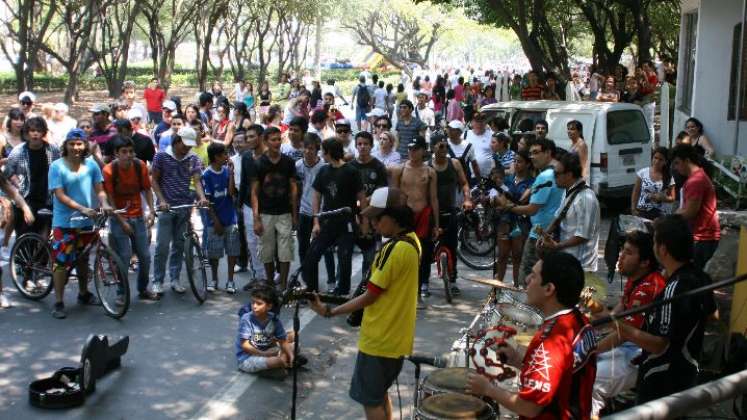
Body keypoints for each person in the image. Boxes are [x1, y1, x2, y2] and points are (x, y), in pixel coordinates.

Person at [309, 187, 420, 420]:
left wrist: (331, 311)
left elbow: (370, 295)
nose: (373, 224)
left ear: (393, 216)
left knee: (370, 402)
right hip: (397, 338)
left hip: (380, 339)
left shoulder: (393, 250)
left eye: (377, 218)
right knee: (379, 395)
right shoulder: (412, 242)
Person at [595, 215, 716, 404]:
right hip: (687, 370)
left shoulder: (673, 289)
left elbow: (659, 344)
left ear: (663, 249)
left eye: (655, 241)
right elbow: (712, 314)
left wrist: (613, 323)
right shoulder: (700, 277)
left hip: (662, 376)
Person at [466, 251, 596, 419]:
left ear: (549, 289)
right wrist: (519, 361)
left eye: (533, 277)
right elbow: (561, 377)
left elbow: (529, 407)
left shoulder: (551, 342)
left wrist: (488, 389)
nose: (527, 280)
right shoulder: (580, 321)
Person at [590, 231, 665, 418]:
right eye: (622, 250)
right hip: (628, 343)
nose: (620, 256)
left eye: (628, 252)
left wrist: (591, 350)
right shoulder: (636, 278)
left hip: (640, 353)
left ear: (645, 262)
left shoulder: (650, 287)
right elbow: (617, 311)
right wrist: (586, 324)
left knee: (590, 380)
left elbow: (624, 333)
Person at [48, 129, 114, 319]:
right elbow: (59, 194)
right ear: (66, 146)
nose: (76, 148)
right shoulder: (57, 166)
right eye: (72, 144)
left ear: (85, 145)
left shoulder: (92, 165)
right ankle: (59, 301)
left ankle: (84, 293)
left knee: (83, 258)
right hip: (65, 221)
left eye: (79, 144)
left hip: (87, 219)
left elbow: (99, 190)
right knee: (61, 262)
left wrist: (105, 204)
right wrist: (81, 208)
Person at [495, 139, 564, 285]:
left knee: (528, 282)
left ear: (548, 153)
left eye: (536, 153)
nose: (532, 156)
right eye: (531, 153)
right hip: (551, 234)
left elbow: (532, 209)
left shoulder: (545, 176)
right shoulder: (557, 174)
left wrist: (507, 206)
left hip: (539, 237)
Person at [303, 138, 367, 295]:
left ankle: (343, 290)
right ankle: (311, 288)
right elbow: (316, 197)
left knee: (344, 258)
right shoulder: (323, 171)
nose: (321, 154)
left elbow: (362, 198)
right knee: (312, 255)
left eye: (323, 151)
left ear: (329, 152)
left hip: (347, 222)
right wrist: (316, 222)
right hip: (327, 222)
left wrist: (365, 222)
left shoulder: (351, 171)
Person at [151, 127, 209, 296]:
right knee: (162, 246)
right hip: (166, 207)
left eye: (189, 146)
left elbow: (197, 181)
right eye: (184, 145)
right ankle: (158, 280)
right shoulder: (161, 156)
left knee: (179, 245)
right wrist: (161, 200)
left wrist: (201, 198)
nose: (186, 149)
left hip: (184, 206)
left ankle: (175, 279)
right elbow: (154, 180)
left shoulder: (193, 158)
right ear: (176, 141)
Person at [103, 137, 158, 301]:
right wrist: (122, 221)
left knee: (145, 256)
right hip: (118, 216)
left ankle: (143, 288)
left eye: (130, 151)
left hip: (137, 215)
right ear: (116, 154)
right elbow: (110, 199)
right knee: (124, 256)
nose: (128, 155)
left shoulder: (139, 165)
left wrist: (151, 211)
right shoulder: (109, 170)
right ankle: (122, 292)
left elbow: (147, 190)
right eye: (124, 152)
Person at [392, 136, 439, 301]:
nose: (412, 152)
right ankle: (405, 285)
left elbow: (433, 198)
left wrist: (436, 224)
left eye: (416, 149)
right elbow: (395, 195)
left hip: (424, 214)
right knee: (404, 251)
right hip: (406, 214)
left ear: (422, 151)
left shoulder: (429, 171)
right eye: (410, 149)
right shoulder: (400, 169)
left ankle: (423, 283)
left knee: (424, 251)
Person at [539, 153, 601, 277]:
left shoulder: (585, 198)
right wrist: (544, 236)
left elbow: (583, 235)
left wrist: (557, 246)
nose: (554, 177)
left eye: (557, 174)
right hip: (568, 261)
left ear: (569, 174)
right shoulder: (569, 191)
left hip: (582, 266)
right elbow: (559, 216)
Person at [251, 126, 298, 290]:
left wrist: (294, 214)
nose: (277, 143)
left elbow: (293, 188)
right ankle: (270, 283)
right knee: (267, 250)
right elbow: (254, 192)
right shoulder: (259, 163)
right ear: (265, 142)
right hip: (266, 212)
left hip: (284, 211)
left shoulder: (288, 162)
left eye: (279, 139)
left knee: (286, 250)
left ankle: (283, 285)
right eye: (273, 140)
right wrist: (256, 218)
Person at [430, 133, 473, 294]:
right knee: (427, 247)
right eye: (440, 146)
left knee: (452, 246)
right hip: (431, 213)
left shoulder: (454, 163)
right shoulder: (428, 166)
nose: (444, 149)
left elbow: (464, 183)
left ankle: (453, 280)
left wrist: (467, 199)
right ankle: (424, 282)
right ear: (433, 147)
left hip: (450, 210)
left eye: (446, 146)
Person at [295, 133, 336, 291]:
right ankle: (308, 283)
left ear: (317, 150)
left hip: (321, 213)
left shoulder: (324, 167)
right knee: (303, 249)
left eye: (311, 148)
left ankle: (329, 282)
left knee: (322, 249)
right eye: (305, 148)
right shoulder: (298, 165)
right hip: (304, 211)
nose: (308, 151)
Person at [672, 144, 721, 269]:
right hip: (702, 237)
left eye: (677, 163)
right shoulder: (696, 177)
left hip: (702, 238)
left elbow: (689, 212)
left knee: (694, 280)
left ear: (687, 160)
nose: (676, 168)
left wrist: (668, 219)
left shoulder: (696, 181)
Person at [202, 142, 240, 294]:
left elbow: (231, 193)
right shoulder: (207, 175)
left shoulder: (227, 171)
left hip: (230, 218)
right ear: (216, 157)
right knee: (214, 253)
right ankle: (214, 279)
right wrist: (215, 221)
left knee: (232, 251)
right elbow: (208, 200)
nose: (227, 157)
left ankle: (230, 281)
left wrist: (231, 174)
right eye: (224, 154)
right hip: (214, 220)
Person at [351, 131, 389, 279]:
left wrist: (364, 200)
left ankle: (366, 285)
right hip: (354, 215)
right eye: (359, 144)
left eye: (366, 144)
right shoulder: (351, 166)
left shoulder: (378, 166)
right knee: (346, 253)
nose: (362, 147)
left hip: (373, 215)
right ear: (356, 146)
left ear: (371, 146)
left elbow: (381, 190)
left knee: (369, 256)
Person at [495, 150, 534, 287]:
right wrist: (501, 202)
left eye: (520, 161)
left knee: (517, 256)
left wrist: (506, 204)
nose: (516, 164)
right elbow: (500, 198)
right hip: (505, 221)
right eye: (515, 161)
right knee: (502, 256)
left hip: (521, 222)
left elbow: (524, 200)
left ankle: (516, 286)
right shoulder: (508, 179)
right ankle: (497, 287)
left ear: (528, 164)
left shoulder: (531, 182)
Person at [236, 286, 296, 374]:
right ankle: (281, 364)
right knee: (277, 361)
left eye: (259, 304)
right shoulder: (247, 319)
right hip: (248, 357)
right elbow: (245, 345)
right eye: (253, 303)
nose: (254, 306)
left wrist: (291, 356)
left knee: (294, 345)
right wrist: (265, 354)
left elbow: (283, 341)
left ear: (269, 306)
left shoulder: (274, 319)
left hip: (267, 351)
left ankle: (284, 363)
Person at [238, 124, 268, 288]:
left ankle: (270, 275)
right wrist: (240, 204)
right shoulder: (246, 157)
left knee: (267, 241)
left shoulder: (270, 156)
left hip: (268, 207)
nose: (248, 140)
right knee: (252, 242)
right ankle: (258, 275)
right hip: (249, 205)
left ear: (261, 137)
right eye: (247, 137)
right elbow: (244, 182)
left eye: (251, 137)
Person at [631, 147, 674, 220]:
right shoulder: (642, 173)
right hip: (642, 212)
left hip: (660, 215)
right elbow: (636, 192)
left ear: (665, 162)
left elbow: (672, 198)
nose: (657, 161)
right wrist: (633, 208)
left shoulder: (669, 177)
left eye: (661, 159)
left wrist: (661, 198)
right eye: (655, 158)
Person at [467, 112, 494, 181]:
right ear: (471, 122)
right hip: (468, 177)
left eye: (481, 121)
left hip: (488, 177)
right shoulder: (465, 134)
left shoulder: (492, 135)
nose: (479, 124)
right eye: (477, 121)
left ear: (485, 122)